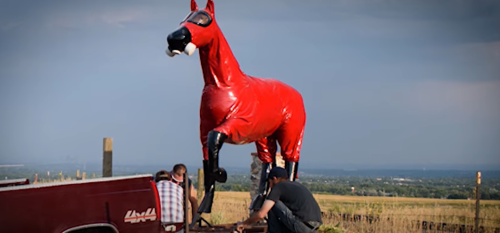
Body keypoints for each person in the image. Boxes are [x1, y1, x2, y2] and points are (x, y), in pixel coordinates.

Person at [233, 167, 323, 233]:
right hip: (314, 227)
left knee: (272, 203)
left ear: (274, 179)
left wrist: (244, 223)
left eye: (270, 182)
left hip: (302, 226)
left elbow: (261, 214)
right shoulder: (295, 185)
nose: (270, 186)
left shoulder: (279, 187)